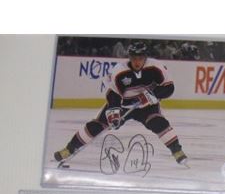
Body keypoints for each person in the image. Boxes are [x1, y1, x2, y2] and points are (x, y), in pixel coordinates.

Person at [54, 41, 188, 167]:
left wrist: (152, 95)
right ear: (129, 57)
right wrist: (114, 112)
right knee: (97, 125)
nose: (137, 61)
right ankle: (69, 149)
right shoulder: (119, 71)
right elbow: (113, 94)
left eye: (140, 58)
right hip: (123, 104)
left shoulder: (156, 67)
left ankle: (177, 151)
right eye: (134, 58)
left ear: (145, 57)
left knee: (159, 123)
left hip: (147, 106)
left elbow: (169, 88)